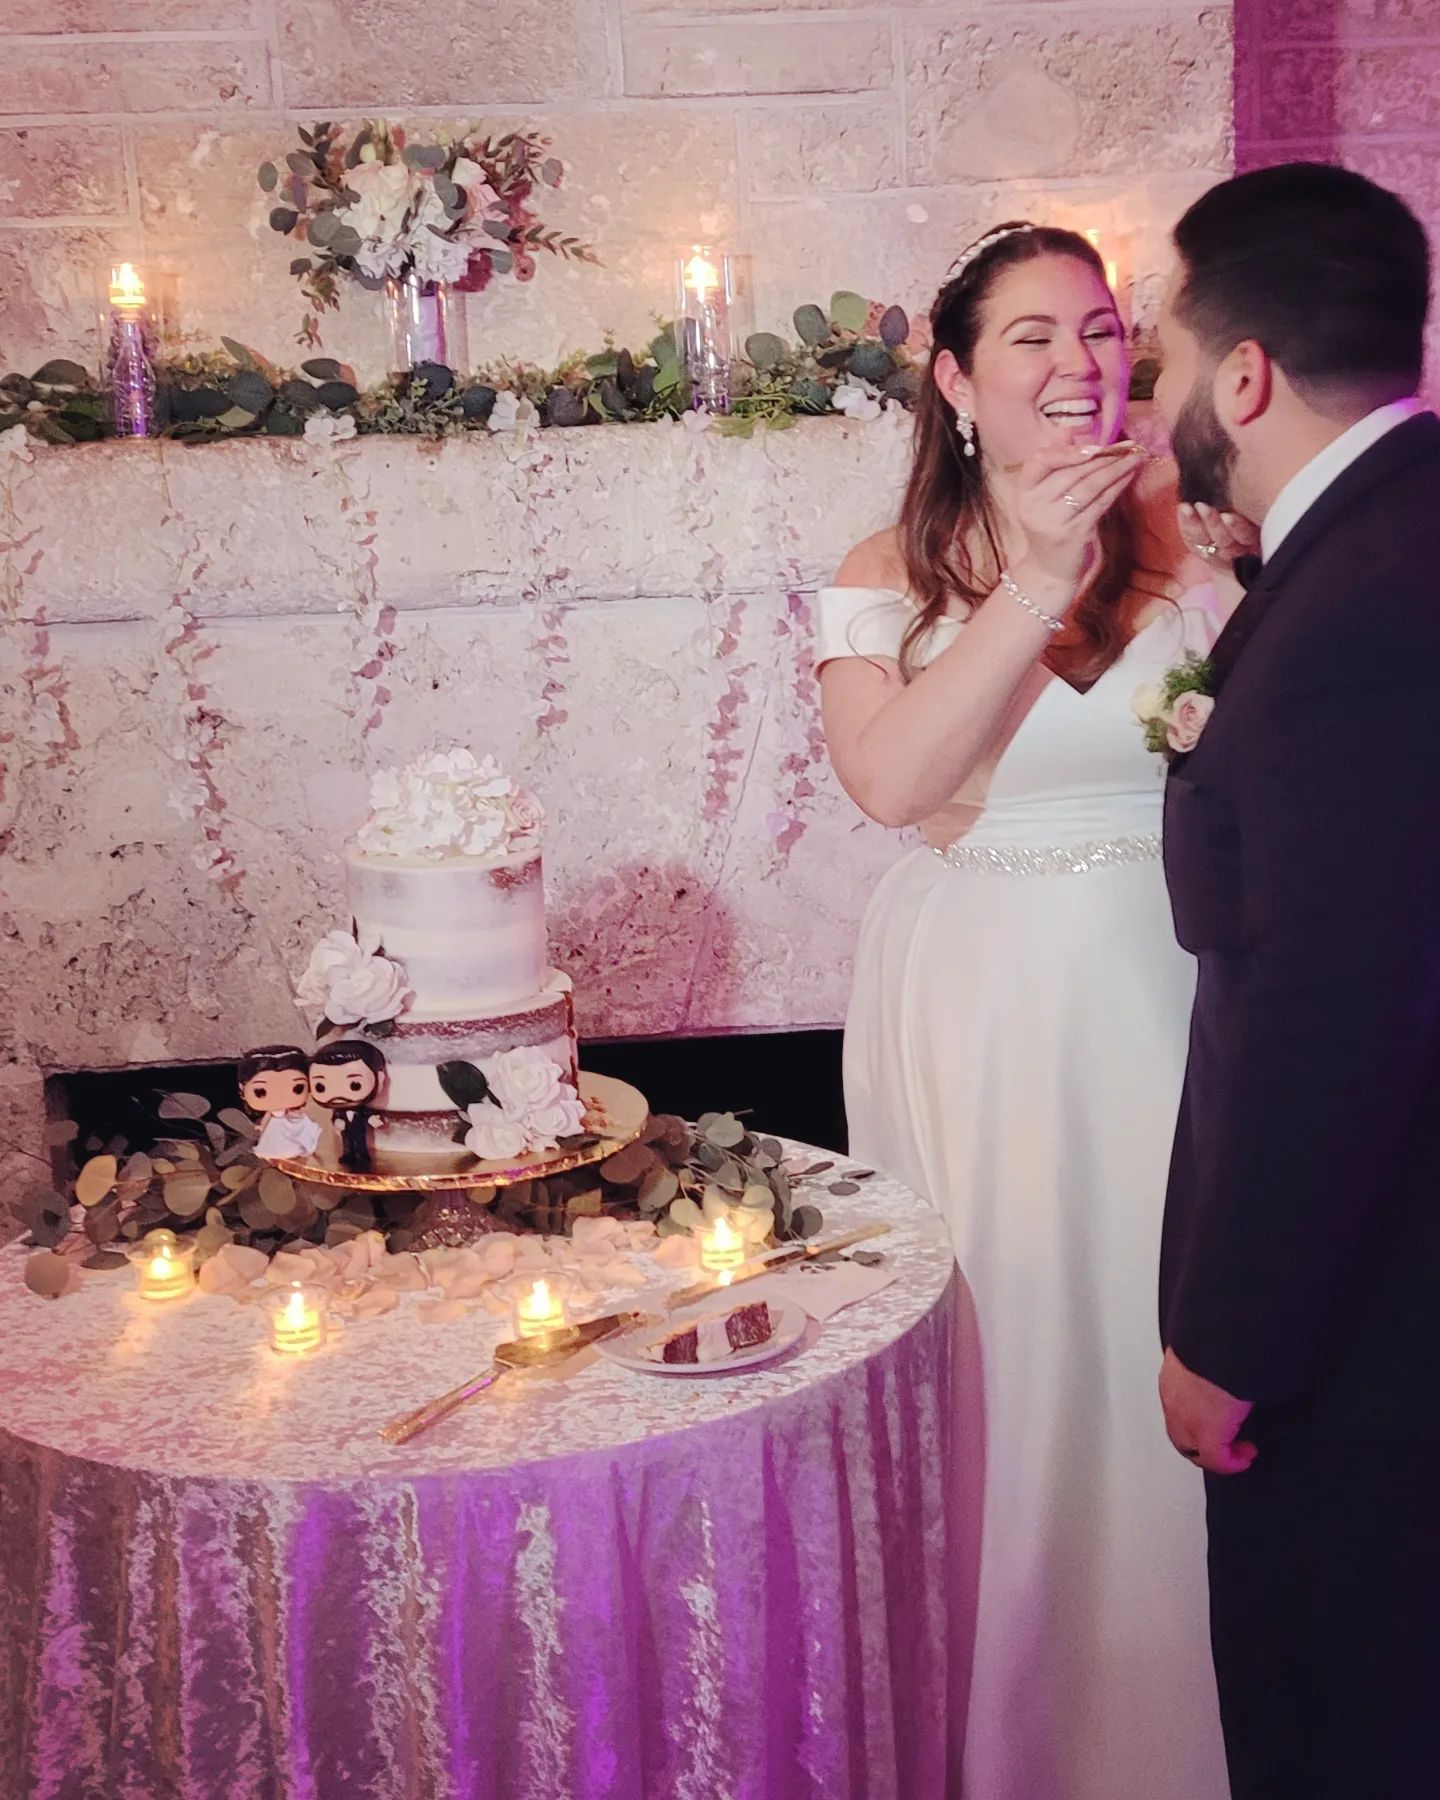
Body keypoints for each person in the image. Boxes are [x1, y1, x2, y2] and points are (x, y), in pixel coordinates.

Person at [817, 224, 1232, 1799]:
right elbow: (894, 783)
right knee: (1030, 1366)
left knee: (1173, 1337)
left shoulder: (1194, 536)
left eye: (1100, 330)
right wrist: (1037, 581)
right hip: (985, 1012)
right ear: (954, 377)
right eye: (1032, 337)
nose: (1078, 364)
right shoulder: (886, 573)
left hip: (1173, 989)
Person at [1153, 162, 1440, 1800]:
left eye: (1169, 358)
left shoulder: (1357, 611)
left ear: (1245, 376)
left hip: (1367, 1326)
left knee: (1335, 1719)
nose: (1159, 401)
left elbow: (1341, 1007)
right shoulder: (1383, 537)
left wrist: (1231, 1337)